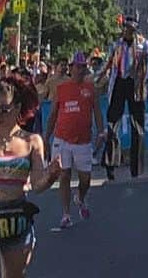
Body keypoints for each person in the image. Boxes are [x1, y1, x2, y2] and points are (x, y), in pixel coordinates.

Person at [0, 75, 62, 277]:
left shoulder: (32, 141)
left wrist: (51, 175)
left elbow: (37, 185)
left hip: (16, 218)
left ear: (17, 108)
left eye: (4, 110)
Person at [44, 52, 103, 229]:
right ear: (71, 68)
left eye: (83, 66)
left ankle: (81, 197)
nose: (80, 69)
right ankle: (66, 214)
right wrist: (46, 137)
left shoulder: (91, 88)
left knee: (85, 179)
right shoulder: (62, 89)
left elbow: (97, 112)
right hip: (62, 139)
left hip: (83, 141)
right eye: (77, 66)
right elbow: (53, 113)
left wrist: (101, 131)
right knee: (64, 175)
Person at [102, 15, 148, 179]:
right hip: (119, 83)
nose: (126, 31)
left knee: (137, 126)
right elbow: (108, 64)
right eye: (125, 28)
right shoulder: (117, 45)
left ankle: (136, 169)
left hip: (136, 84)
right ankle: (110, 164)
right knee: (112, 123)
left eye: (129, 29)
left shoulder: (145, 45)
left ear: (135, 30)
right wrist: (98, 77)